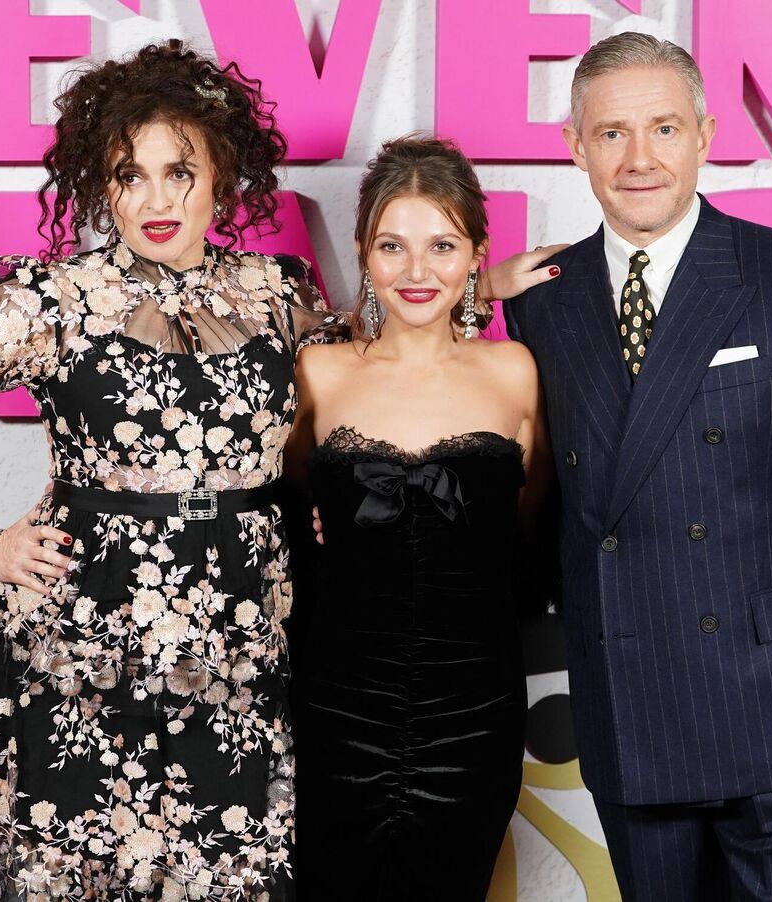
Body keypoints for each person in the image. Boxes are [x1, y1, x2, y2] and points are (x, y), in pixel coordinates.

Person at [0, 41, 330, 900]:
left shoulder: (279, 293)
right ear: (100, 184)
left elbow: (364, 386)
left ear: (223, 176)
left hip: (237, 631)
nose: (155, 200)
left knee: (226, 867)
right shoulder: (52, 300)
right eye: (129, 175)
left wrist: (479, 288)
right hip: (86, 632)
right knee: (78, 867)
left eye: (179, 172)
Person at [501, 33, 772, 901]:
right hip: (631, 696)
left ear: (705, 135)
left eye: (664, 129)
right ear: (575, 146)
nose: (639, 159)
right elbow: (535, 490)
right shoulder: (542, 299)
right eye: (611, 133)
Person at [285, 135, 553, 901]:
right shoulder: (317, 370)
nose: (416, 271)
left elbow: (533, 532)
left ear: (475, 254)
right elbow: (286, 516)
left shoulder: (515, 371)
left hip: (476, 710)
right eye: (392, 246)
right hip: (335, 707)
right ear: (363, 253)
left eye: (442, 246)